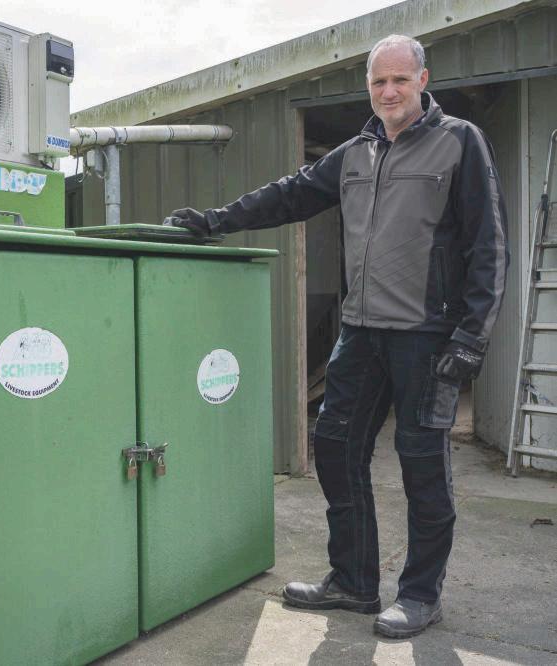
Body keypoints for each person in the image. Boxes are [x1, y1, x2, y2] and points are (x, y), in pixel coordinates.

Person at [164, 34, 508, 638]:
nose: (389, 91)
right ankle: (353, 581)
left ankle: (421, 594)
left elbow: (489, 244)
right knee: (334, 446)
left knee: (422, 465)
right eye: (379, 81)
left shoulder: (459, 142)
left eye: (400, 79)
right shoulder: (355, 153)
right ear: (368, 86)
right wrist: (216, 220)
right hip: (361, 332)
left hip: (427, 337)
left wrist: (471, 337)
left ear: (423, 80)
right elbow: (290, 194)